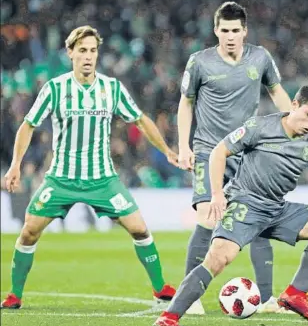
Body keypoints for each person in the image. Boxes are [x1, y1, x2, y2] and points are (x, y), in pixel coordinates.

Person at [1, 25, 178, 309]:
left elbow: (141, 120)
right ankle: (15, 294)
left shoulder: (112, 88)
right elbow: (28, 125)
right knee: (28, 232)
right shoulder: (55, 88)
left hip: (103, 180)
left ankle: (160, 289)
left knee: (140, 230)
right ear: (70, 53)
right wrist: (15, 165)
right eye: (82, 50)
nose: (88, 56)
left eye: (93, 51)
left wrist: (167, 150)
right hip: (61, 179)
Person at [154, 85, 308, 326]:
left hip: (277, 209)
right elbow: (219, 152)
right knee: (218, 258)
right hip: (245, 203)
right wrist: (217, 194)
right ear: (294, 105)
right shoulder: (259, 127)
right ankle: (170, 315)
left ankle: (295, 294)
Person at [177, 1, 295, 314]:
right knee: (208, 216)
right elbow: (185, 104)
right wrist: (184, 146)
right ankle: (190, 299)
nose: (230, 36)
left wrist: (294, 122)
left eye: (235, 31)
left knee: (258, 220)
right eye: (224, 30)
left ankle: (268, 299)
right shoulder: (199, 62)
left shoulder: (260, 57)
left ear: (245, 31)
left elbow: (277, 92)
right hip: (208, 150)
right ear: (216, 31)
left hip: (246, 152)